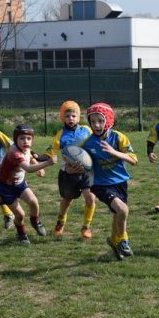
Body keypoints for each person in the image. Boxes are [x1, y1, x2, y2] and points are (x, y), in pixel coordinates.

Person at [82, 103, 138, 260]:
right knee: (123, 210)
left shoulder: (119, 137)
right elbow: (74, 157)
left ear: (108, 121)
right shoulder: (87, 143)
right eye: (92, 122)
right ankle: (123, 241)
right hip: (100, 184)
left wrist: (114, 152)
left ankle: (114, 240)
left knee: (117, 214)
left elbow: (134, 160)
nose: (96, 125)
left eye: (100, 121)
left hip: (120, 182)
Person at [40, 101, 96, 239]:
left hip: (86, 172)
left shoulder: (86, 131)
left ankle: (86, 227)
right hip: (68, 174)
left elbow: (96, 144)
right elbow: (50, 151)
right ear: (63, 118)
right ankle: (61, 222)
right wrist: (37, 157)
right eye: (68, 116)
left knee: (90, 198)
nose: (71, 119)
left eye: (73, 116)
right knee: (67, 200)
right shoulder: (60, 134)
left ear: (78, 117)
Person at [0, 124, 56, 244]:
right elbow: (28, 168)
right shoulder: (14, 153)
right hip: (5, 188)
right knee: (20, 215)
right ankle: (21, 233)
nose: (25, 141)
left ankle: (35, 221)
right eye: (22, 138)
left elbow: (30, 156)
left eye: (28, 138)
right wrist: (47, 163)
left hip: (19, 184)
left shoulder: (26, 148)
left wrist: (37, 164)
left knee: (34, 202)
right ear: (16, 140)